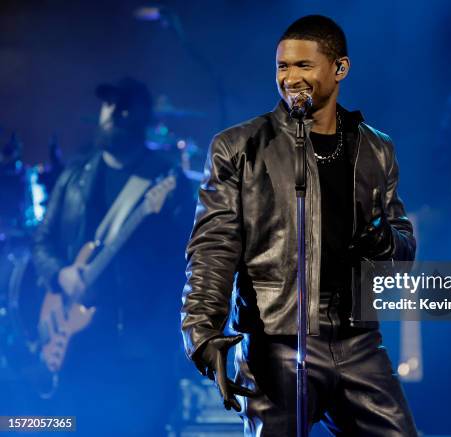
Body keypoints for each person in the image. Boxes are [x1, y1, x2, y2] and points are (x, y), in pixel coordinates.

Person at [181, 15, 418, 436]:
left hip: (357, 340)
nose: (290, 78)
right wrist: (202, 331)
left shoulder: (376, 148)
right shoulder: (240, 147)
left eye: (303, 66)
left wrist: (382, 240)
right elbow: (213, 247)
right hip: (276, 342)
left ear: (339, 69)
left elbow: (404, 248)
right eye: (282, 67)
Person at [32, 77, 193, 436]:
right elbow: (42, 241)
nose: (114, 112)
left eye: (125, 106)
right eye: (109, 104)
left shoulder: (166, 180)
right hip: (79, 348)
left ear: (142, 115)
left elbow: (189, 262)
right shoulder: (75, 175)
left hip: (138, 346)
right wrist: (61, 275)